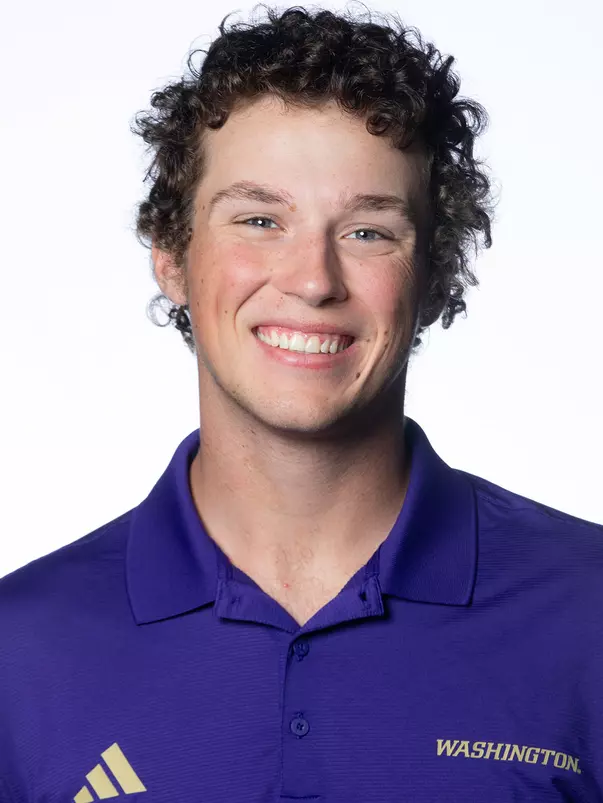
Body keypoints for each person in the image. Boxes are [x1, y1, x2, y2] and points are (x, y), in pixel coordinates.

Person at [1, 5, 601, 802]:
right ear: (171, 257)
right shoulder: (21, 650)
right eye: (259, 219)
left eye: (367, 232)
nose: (313, 279)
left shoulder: (587, 614)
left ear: (433, 273)